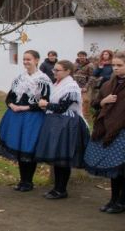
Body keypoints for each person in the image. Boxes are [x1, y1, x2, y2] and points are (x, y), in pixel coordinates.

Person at [0, 50, 52, 192]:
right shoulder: (19, 78)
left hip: (32, 117)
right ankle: (22, 180)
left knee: (28, 148)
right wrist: (12, 105)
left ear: (37, 60)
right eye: (24, 59)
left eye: (29, 59)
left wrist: (24, 107)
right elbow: (9, 97)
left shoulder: (43, 80)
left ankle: (28, 182)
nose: (26, 62)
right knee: (20, 148)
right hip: (16, 117)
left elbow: (44, 102)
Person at [34, 59, 90, 199]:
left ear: (68, 71)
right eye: (54, 70)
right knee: (57, 158)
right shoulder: (57, 84)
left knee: (63, 158)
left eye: (57, 70)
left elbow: (62, 107)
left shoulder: (71, 87)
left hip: (68, 125)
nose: (54, 72)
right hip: (57, 123)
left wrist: (45, 104)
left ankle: (61, 189)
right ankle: (56, 188)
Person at [84, 51, 125, 214]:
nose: (115, 68)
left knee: (123, 169)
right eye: (113, 65)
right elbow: (94, 104)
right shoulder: (108, 84)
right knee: (114, 169)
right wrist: (103, 101)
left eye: (119, 65)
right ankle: (113, 199)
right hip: (110, 130)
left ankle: (121, 202)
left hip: (123, 131)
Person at [74, 51, 95, 119]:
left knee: (86, 101)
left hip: (85, 86)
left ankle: (86, 117)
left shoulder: (90, 65)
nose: (81, 57)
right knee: (76, 100)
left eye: (83, 56)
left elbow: (92, 77)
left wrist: (86, 87)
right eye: (80, 56)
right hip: (76, 86)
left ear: (85, 56)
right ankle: (77, 115)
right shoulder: (74, 64)